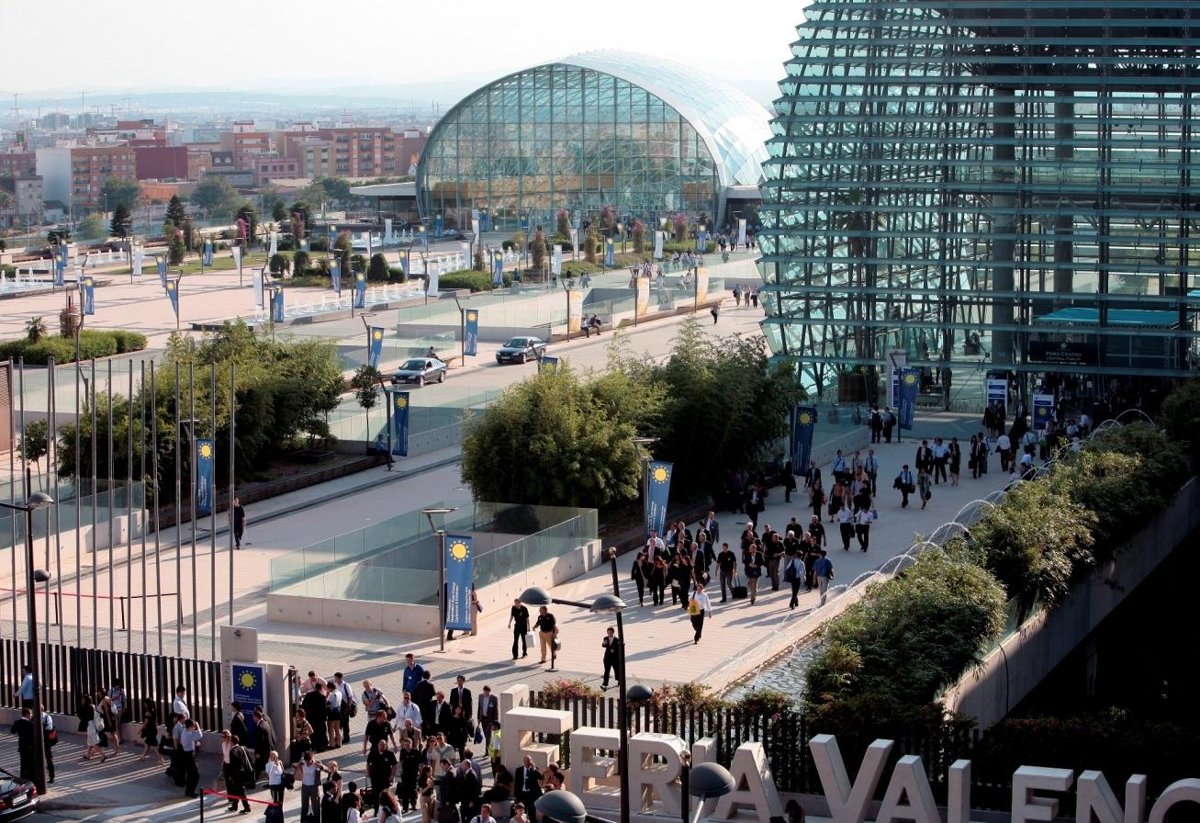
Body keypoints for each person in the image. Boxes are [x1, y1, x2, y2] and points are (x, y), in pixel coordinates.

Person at [367, 738, 397, 812]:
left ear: (386, 746)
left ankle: (386, 810)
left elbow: (394, 765)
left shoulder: (389, 754)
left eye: (384, 745)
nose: (382, 747)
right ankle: (376, 810)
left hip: (385, 778)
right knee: (375, 794)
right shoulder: (373, 752)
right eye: (380, 745)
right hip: (375, 778)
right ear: (378, 745)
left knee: (385, 795)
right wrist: (368, 773)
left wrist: (392, 775)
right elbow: (368, 763)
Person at [296, 750, 326, 822]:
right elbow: (295, 765)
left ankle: (317, 821)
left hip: (314, 787)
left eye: (309, 761)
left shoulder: (317, 763)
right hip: (304, 786)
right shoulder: (302, 763)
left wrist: (321, 767)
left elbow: (327, 769)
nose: (308, 763)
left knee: (316, 806)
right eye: (306, 761)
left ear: (312, 758)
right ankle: (303, 821)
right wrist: (299, 767)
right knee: (304, 806)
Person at [9, 706, 35, 781]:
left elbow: (12, 731)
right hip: (30, 747)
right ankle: (30, 778)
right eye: (30, 714)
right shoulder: (31, 724)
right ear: (27, 714)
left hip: (22, 746)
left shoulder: (17, 722)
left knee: (23, 763)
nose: (31, 715)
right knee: (30, 763)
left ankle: (22, 778)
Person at [180, 718, 204, 798]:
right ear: (190, 727)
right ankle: (191, 791)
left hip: (187, 754)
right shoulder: (188, 734)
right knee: (195, 775)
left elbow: (194, 734)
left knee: (190, 775)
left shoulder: (185, 732)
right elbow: (200, 735)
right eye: (193, 726)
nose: (194, 728)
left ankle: (188, 791)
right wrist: (198, 726)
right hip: (189, 755)